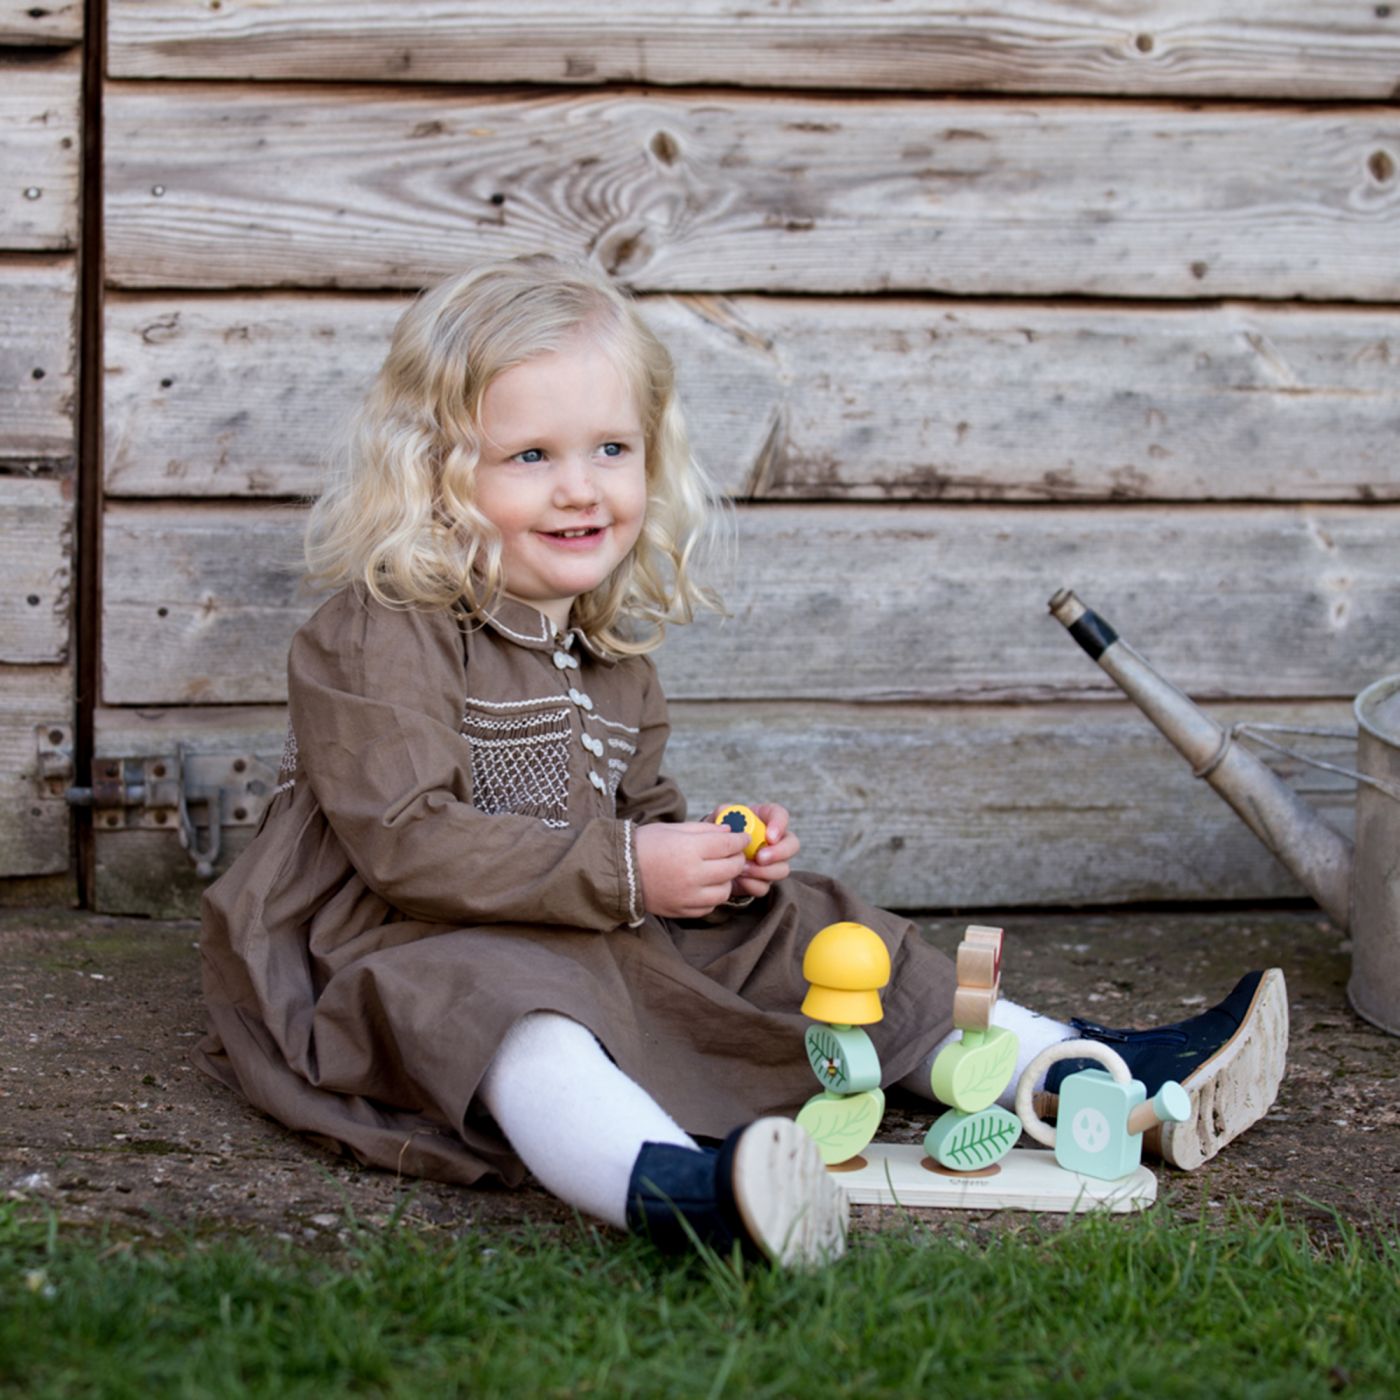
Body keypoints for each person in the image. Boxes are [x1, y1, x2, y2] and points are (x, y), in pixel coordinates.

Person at [196, 254, 1287, 1266]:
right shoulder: (383, 630)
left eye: (609, 450)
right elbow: (407, 843)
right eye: (531, 455)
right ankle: (683, 1191)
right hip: (402, 932)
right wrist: (630, 867)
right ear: (436, 474)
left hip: (571, 907)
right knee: (506, 1004)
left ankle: (1076, 1072)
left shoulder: (605, 645)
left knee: (811, 924)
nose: (580, 488)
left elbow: (634, 809)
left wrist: (718, 854)